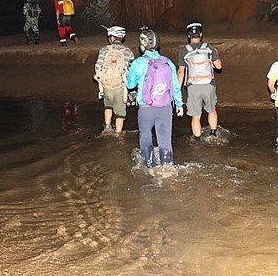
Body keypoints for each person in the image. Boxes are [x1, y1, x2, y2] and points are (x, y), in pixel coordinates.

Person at [125, 27, 183, 171]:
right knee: (165, 140)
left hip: (146, 108)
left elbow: (130, 84)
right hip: (165, 107)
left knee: (145, 138)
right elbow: (175, 85)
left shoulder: (139, 63)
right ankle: (167, 168)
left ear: (143, 44)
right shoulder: (168, 62)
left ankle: (151, 168)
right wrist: (179, 104)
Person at [177, 21, 223, 138]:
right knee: (211, 110)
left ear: (188, 36)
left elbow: (181, 72)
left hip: (193, 86)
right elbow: (219, 66)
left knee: (195, 115)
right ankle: (213, 134)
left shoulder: (184, 50)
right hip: (209, 84)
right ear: (201, 34)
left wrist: (177, 90)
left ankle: (197, 137)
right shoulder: (209, 48)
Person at [93, 25, 136, 133]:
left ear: (112, 38)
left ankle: (107, 128)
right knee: (120, 112)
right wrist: (132, 91)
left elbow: (98, 67)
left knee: (108, 106)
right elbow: (131, 72)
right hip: (121, 86)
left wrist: (100, 82)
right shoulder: (128, 52)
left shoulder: (104, 50)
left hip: (107, 85)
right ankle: (118, 134)